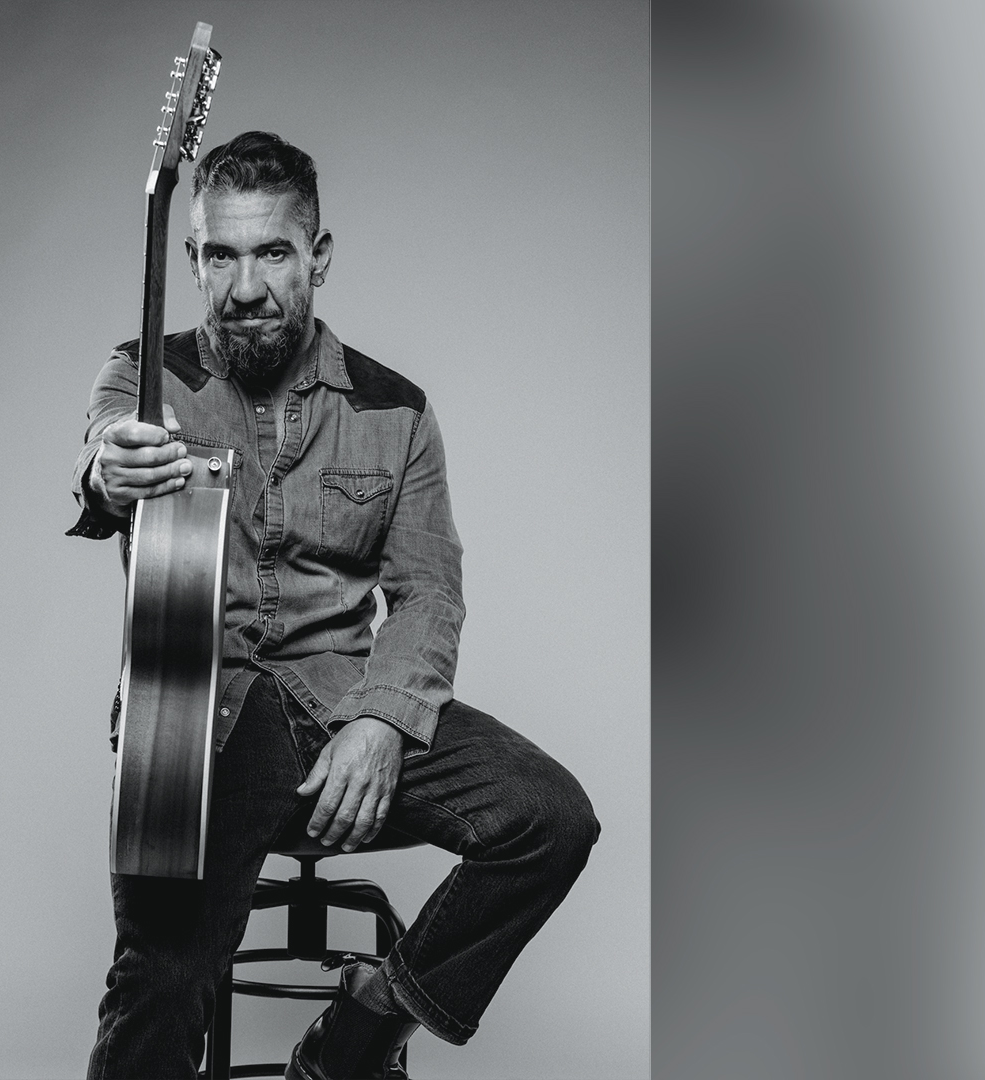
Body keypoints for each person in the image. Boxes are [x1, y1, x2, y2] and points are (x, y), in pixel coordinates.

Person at [67, 131, 599, 1080]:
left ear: (317, 257)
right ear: (191, 259)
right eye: (221, 256)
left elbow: (428, 590)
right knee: (163, 973)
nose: (245, 287)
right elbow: (111, 447)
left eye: (272, 252)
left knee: (549, 817)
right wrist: (111, 468)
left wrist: (382, 723)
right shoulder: (148, 377)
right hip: (198, 723)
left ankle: (364, 1027)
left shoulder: (397, 412)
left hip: (342, 707)